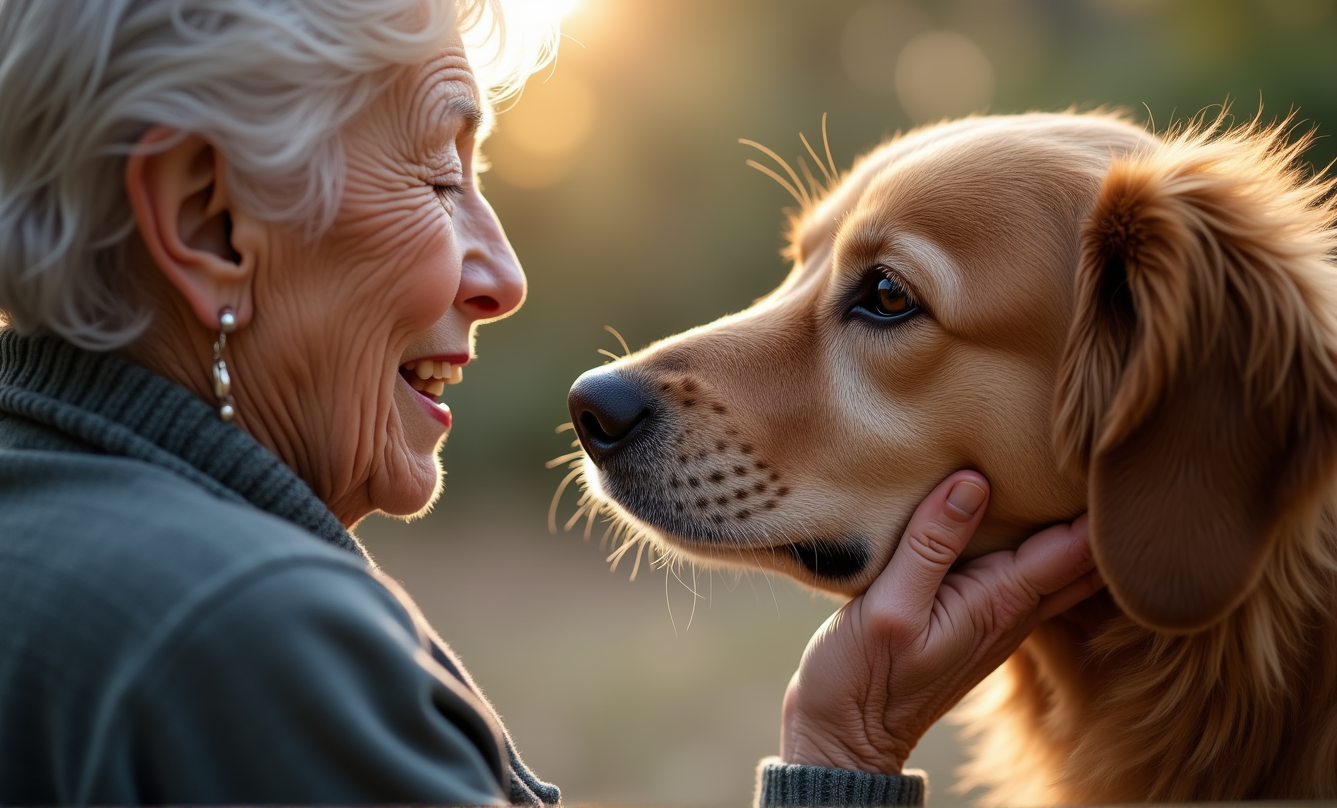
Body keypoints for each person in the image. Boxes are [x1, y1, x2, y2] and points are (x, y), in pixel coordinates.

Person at [0, 0, 1100, 804]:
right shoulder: (242, 645)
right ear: (204, 221)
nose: (503, 273)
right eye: (438, 177)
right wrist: (842, 757)